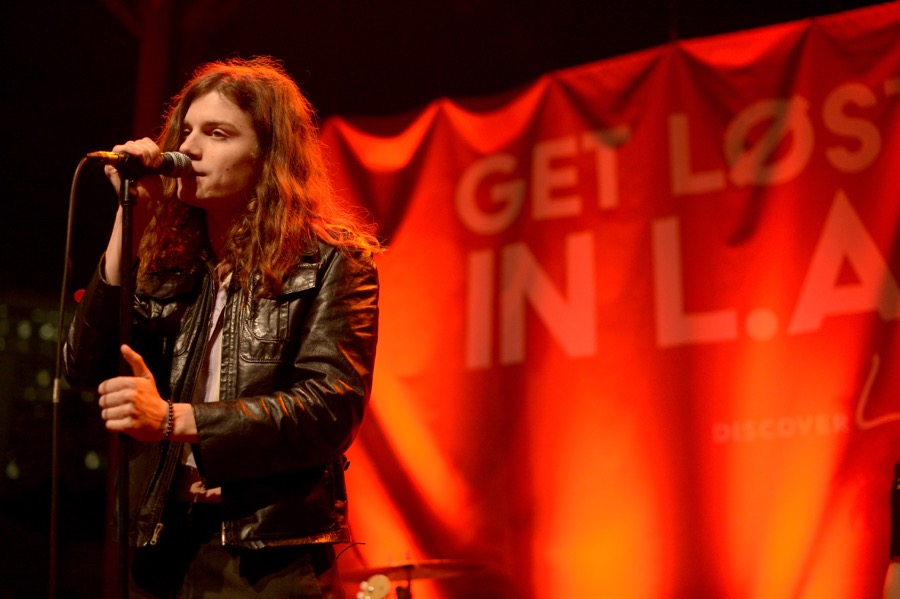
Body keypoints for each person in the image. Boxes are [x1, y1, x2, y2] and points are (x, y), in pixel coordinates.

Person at [64, 56, 381, 597]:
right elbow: (84, 366)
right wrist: (127, 220)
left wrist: (177, 420)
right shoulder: (169, 266)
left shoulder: (333, 262)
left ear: (268, 154)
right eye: (186, 130)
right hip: (162, 545)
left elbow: (330, 409)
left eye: (217, 133)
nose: (189, 148)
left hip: (267, 555)